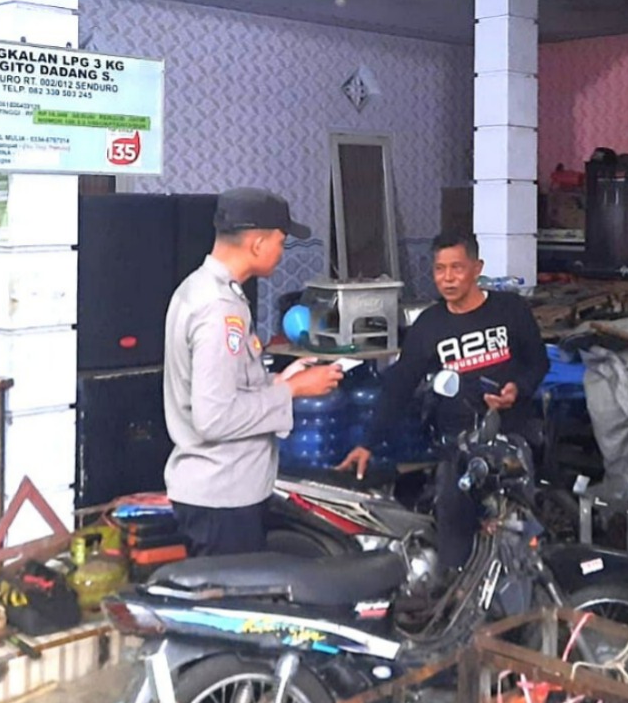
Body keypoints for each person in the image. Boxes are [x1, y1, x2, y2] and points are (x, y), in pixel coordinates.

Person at [337, 233, 549, 569]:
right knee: (454, 532)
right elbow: (399, 386)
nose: (447, 278)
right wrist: (368, 442)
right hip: (457, 445)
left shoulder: (511, 310)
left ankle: (523, 588)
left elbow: (538, 363)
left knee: (516, 530)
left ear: (477, 268)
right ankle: (457, 589)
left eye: (457, 268)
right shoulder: (429, 326)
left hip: (511, 436)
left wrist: (517, 389)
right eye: (440, 269)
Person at [164, 187, 344, 556]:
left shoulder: (200, 288)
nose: (282, 251)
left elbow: (228, 385)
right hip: (222, 497)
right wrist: (293, 391)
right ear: (258, 243)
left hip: (220, 493)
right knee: (229, 591)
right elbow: (215, 418)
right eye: (281, 242)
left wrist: (279, 380)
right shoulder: (219, 309)